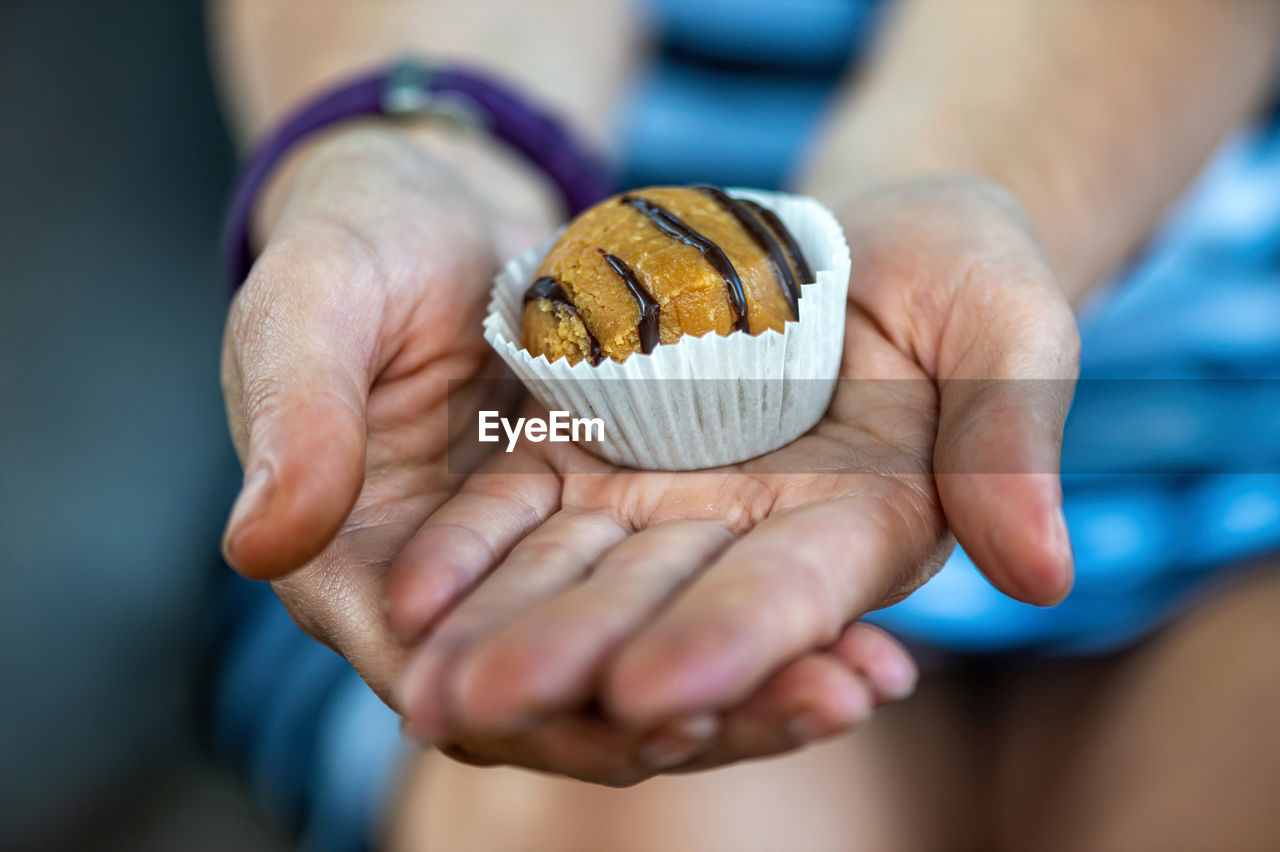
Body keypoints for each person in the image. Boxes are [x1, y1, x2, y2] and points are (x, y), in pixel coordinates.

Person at [211, 0, 1280, 849]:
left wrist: (952, 187)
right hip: (501, 426)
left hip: (1223, 412)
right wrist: (444, 143)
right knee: (602, 810)